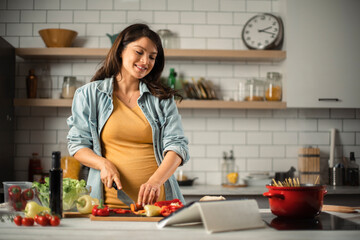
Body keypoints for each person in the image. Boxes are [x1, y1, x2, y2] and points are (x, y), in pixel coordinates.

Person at [67, 23, 189, 208]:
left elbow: (177, 147)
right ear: (120, 51)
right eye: (139, 52)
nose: (145, 61)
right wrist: (103, 164)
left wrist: (155, 182)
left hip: (159, 204)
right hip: (107, 203)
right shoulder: (89, 95)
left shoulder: (162, 99)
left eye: (152, 57)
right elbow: (78, 145)